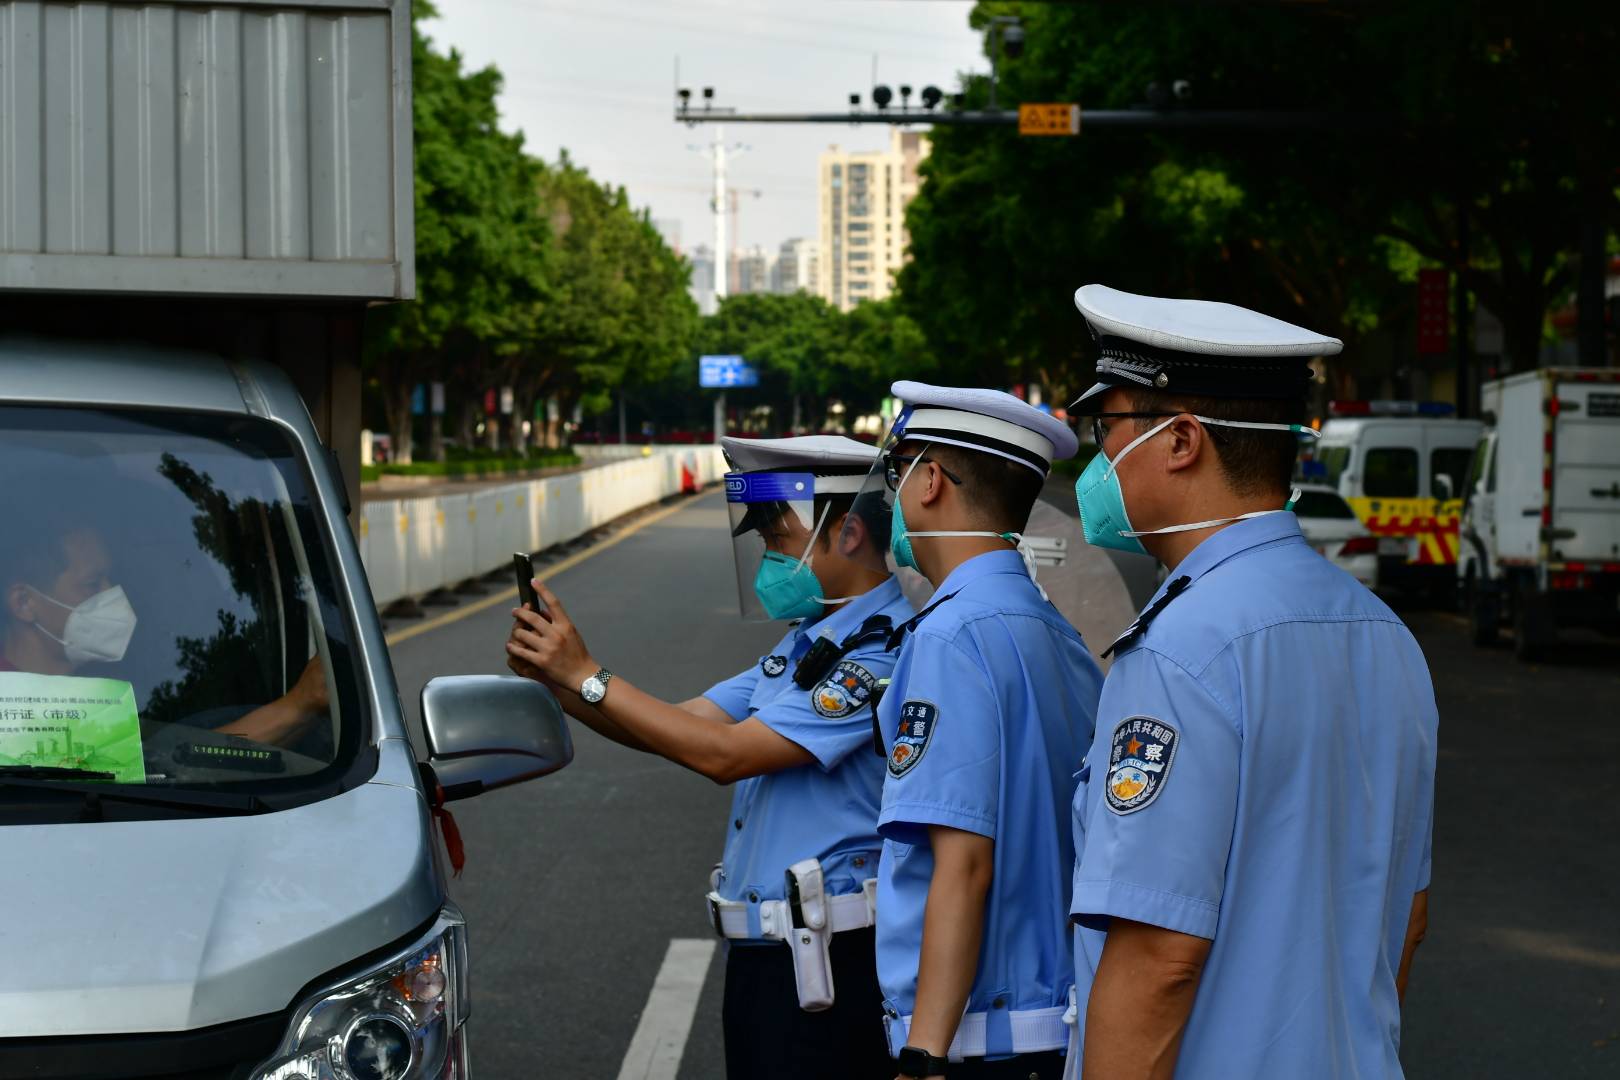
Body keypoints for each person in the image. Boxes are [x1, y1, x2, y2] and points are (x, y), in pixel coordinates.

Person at [1064, 284, 1437, 1078]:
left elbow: (1158, 958)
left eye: (1110, 429)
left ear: (1180, 440)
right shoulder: (1387, 635)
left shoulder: (1179, 650)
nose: (1099, 460)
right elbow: (1406, 918)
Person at [504, 435, 915, 1080]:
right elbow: (679, 726)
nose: (769, 563)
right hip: (768, 960)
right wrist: (556, 680)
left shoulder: (879, 655)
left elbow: (725, 755)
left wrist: (587, 673)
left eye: (780, 542)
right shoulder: (808, 645)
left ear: (851, 533)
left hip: (830, 964)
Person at [844, 382, 1102, 1080]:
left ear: (930, 481)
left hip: (975, 1041)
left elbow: (963, 863)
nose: (891, 495)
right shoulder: (1057, 632)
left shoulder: (950, 636)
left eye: (898, 473)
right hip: (1050, 1028)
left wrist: (924, 1055)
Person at [1, 515, 328, 746]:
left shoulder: (117, 689)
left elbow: (162, 756)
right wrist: (298, 705)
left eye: (110, 579)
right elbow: (164, 768)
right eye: (92, 584)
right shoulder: (10, 709)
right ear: (24, 603)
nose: (113, 595)